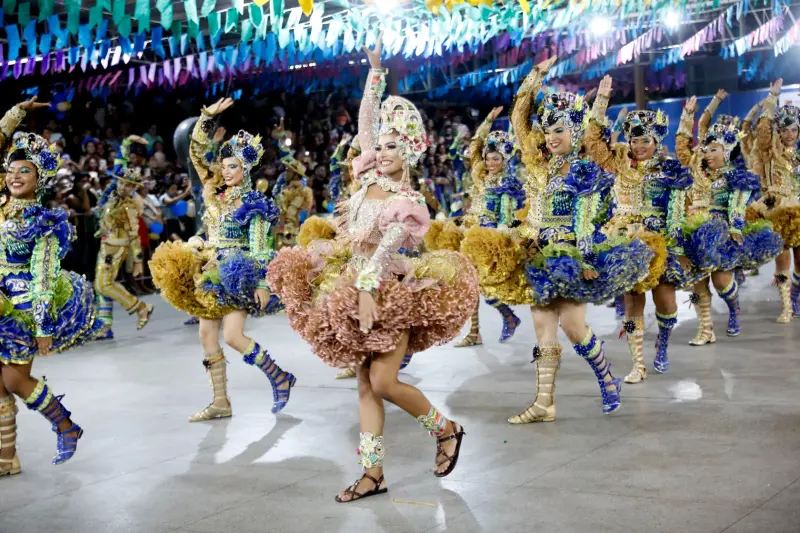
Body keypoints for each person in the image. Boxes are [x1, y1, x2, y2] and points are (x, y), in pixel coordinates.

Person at [267, 36, 478, 502]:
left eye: (390, 146)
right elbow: (366, 117)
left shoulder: (408, 201)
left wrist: (366, 288)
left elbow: (387, 249)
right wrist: (376, 71)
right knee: (364, 385)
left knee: (383, 381)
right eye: (378, 145)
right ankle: (373, 473)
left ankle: (446, 430)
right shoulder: (367, 178)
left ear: (409, 152)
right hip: (351, 282)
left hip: (389, 291)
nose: (379, 151)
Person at [463, 59, 651, 423]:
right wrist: (535, 77)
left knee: (573, 328)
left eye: (560, 130)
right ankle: (544, 402)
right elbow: (520, 119)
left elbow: (586, 222)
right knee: (542, 331)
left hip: (574, 257)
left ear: (576, 132)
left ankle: (607, 377)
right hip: (537, 255)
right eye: (547, 130)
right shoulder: (536, 164)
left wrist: (583, 259)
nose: (551, 137)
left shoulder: (587, 173)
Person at [149, 97, 295, 421]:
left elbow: (259, 246)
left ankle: (279, 376)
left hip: (235, 273)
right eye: (224, 165)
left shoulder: (253, 202)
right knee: (206, 335)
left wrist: (260, 282)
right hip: (209, 269)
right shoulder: (213, 192)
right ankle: (220, 401)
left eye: (233, 166)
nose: (226, 171)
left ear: (245, 170)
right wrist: (207, 118)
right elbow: (196, 154)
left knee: (232, 336)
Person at [1, 99, 102, 476]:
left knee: (14, 378)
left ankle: (65, 424)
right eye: (10, 170)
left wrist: (42, 326)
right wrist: (15, 115)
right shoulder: (1, 204)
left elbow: (43, 275)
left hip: (22, 309)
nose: (14, 176)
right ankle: (7, 457)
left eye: (23, 171)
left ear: (38, 178)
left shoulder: (44, 222)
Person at [586, 75, 705, 383]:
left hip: (660, 242)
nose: (639, 146)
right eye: (635, 140)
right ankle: (638, 363)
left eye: (645, 141)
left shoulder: (669, 173)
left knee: (666, 304)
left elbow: (676, 214)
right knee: (632, 301)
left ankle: (663, 342)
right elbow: (593, 140)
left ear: (656, 142)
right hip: (624, 240)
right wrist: (601, 100)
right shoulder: (617, 165)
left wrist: (677, 251)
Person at [676, 95, 782, 344]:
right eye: (705, 148)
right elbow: (682, 145)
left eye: (714, 149)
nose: (707, 153)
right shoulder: (694, 168)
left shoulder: (735, 176)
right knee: (697, 285)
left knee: (722, 283)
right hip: (693, 230)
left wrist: (735, 227)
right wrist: (686, 117)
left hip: (720, 231)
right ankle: (705, 329)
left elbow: (736, 204)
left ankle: (734, 307)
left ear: (726, 152)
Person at [93, 135, 155, 339]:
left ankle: (140, 306)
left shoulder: (129, 205)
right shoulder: (114, 194)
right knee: (100, 286)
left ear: (133, 188)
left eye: (128, 185)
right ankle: (104, 326)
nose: (122, 187)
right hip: (106, 243)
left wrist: (137, 261)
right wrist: (127, 142)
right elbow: (120, 161)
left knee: (104, 284)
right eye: (121, 183)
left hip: (116, 248)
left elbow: (134, 234)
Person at [749, 79, 800, 322]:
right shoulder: (769, 150)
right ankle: (786, 307)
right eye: (785, 130)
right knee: (782, 258)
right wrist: (771, 98)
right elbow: (762, 130)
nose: (790, 134)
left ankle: (796, 295)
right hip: (776, 207)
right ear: (778, 132)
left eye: (794, 130)